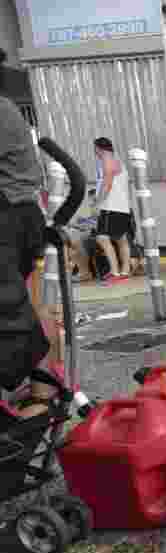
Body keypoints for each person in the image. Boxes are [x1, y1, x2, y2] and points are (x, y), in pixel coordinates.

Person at [0, 47, 55, 418]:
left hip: (12, 217)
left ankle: (40, 393)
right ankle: (39, 390)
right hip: (18, 214)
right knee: (27, 304)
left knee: (16, 308)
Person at [93, 137, 135, 281]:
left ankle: (115, 272)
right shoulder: (119, 162)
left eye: (95, 149)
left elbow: (107, 185)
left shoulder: (107, 161)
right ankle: (125, 271)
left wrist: (98, 204)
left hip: (110, 207)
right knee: (121, 239)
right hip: (123, 207)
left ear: (99, 148)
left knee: (102, 237)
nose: (95, 152)